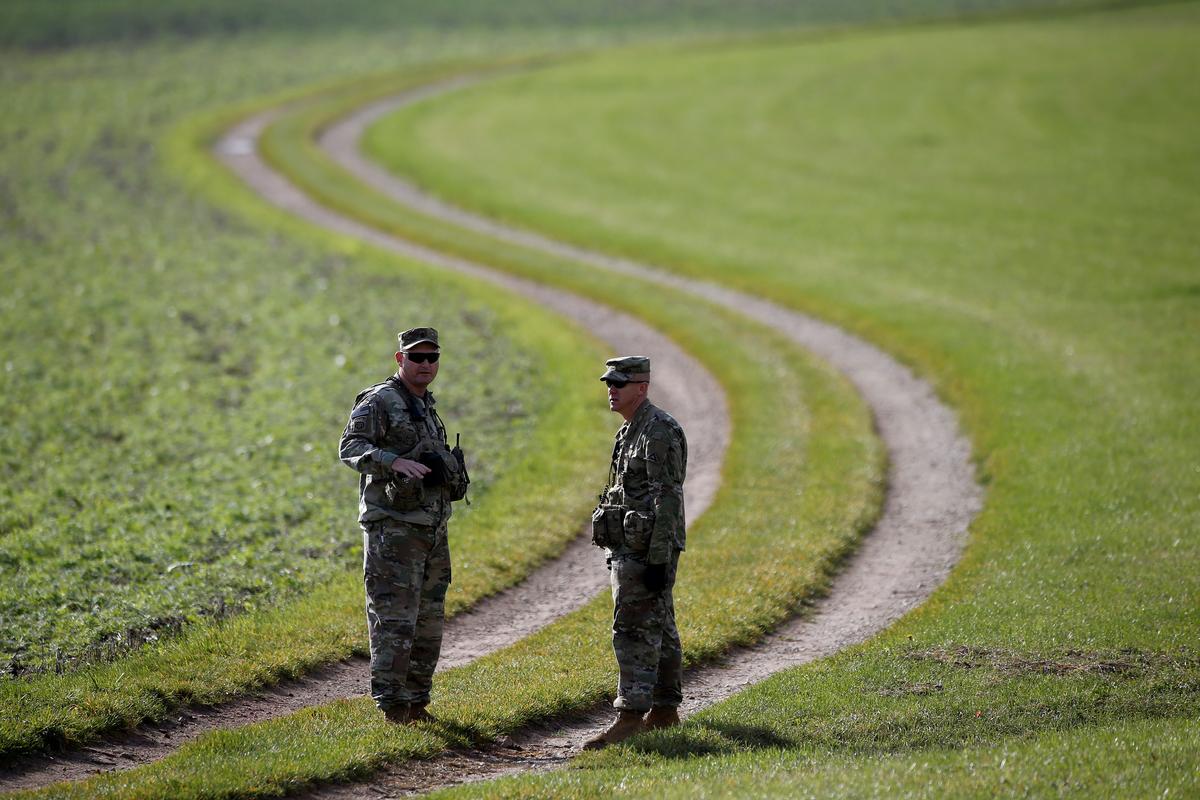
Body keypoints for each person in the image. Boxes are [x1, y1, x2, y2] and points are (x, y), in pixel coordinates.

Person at [338, 326, 469, 725]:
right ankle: (393, 706)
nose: (426, 364)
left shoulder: (425, 405)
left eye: (432, 357)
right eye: (417, 357)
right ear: (400, 360)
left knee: (428, 619)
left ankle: (416, 701)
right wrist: (392, 461)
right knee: (395, 619)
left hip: (430, 529)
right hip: (392, 530)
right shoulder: (381, 401)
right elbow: (350, 447)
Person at [583, 355, 688, 750]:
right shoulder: (631, 430)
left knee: (631, 628)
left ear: (641, 388)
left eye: (619, 384)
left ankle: (630, 716)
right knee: (659, 625)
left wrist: (659, 558)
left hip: (647, 549)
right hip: (633, 544)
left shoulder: (657, 431)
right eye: (609, 383)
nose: (611, 390)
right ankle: (664, 712)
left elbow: (668, 499)